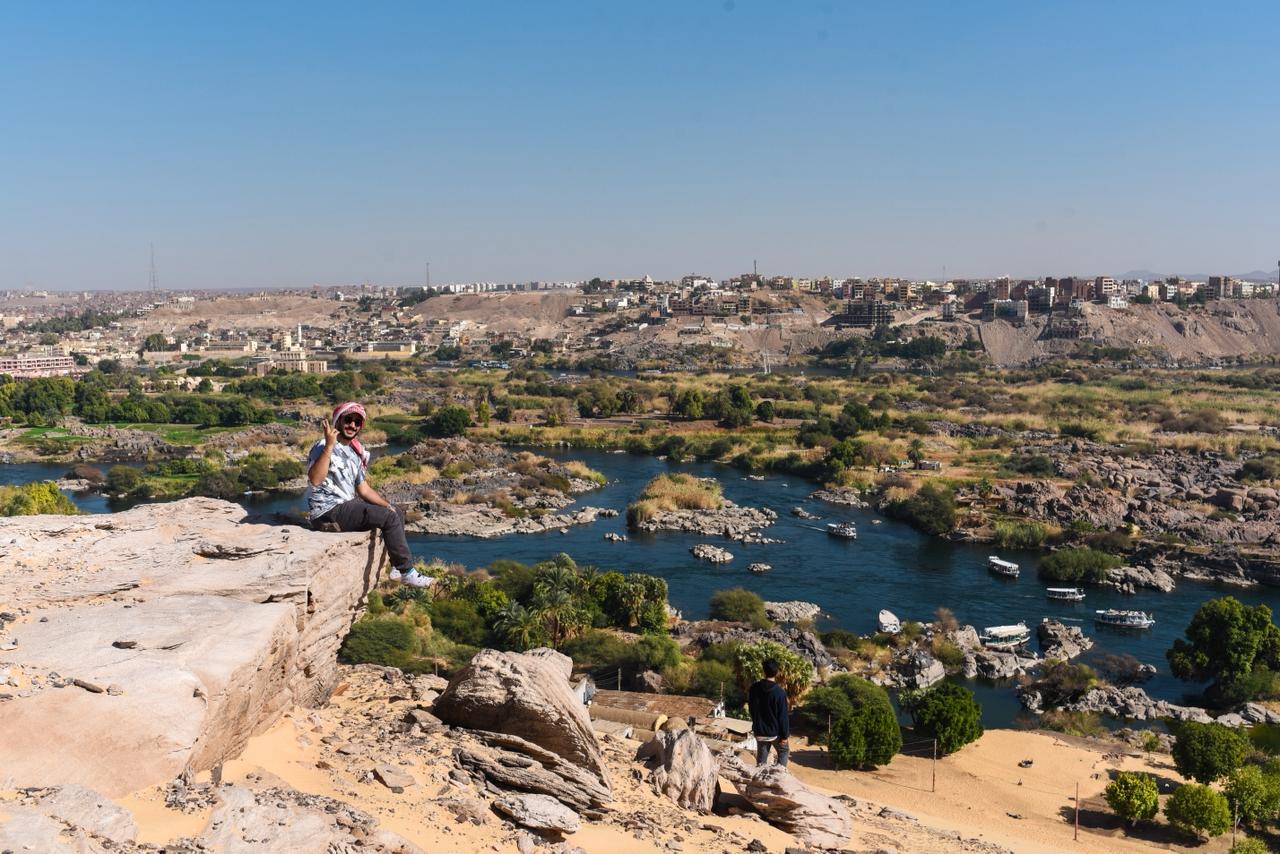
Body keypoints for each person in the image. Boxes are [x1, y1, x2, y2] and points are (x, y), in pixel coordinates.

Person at [307, 401, 433, 587]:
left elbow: (363, 489)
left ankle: (396, 566)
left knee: (395, 512)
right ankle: (407, 571)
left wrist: (387, 505)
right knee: (388, 517)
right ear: (338, 421)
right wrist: (329, 446)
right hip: (328, 510)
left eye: (357, 422)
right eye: (348, 419)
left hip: (346, 505)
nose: (352, 425)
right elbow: (315, 479)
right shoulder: (322, 446)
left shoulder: (353, 453)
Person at [748, 657, 790, 767]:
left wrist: (757, 724)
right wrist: (784, 736)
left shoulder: (754, 688)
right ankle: (779, 775)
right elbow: (783, 717)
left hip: (760, 731)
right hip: (774, 733)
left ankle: (760, 780)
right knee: (784, 751)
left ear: (763, 671)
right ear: (777, 672)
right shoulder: (779, 693)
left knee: (761, 762)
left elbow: (751, 709)